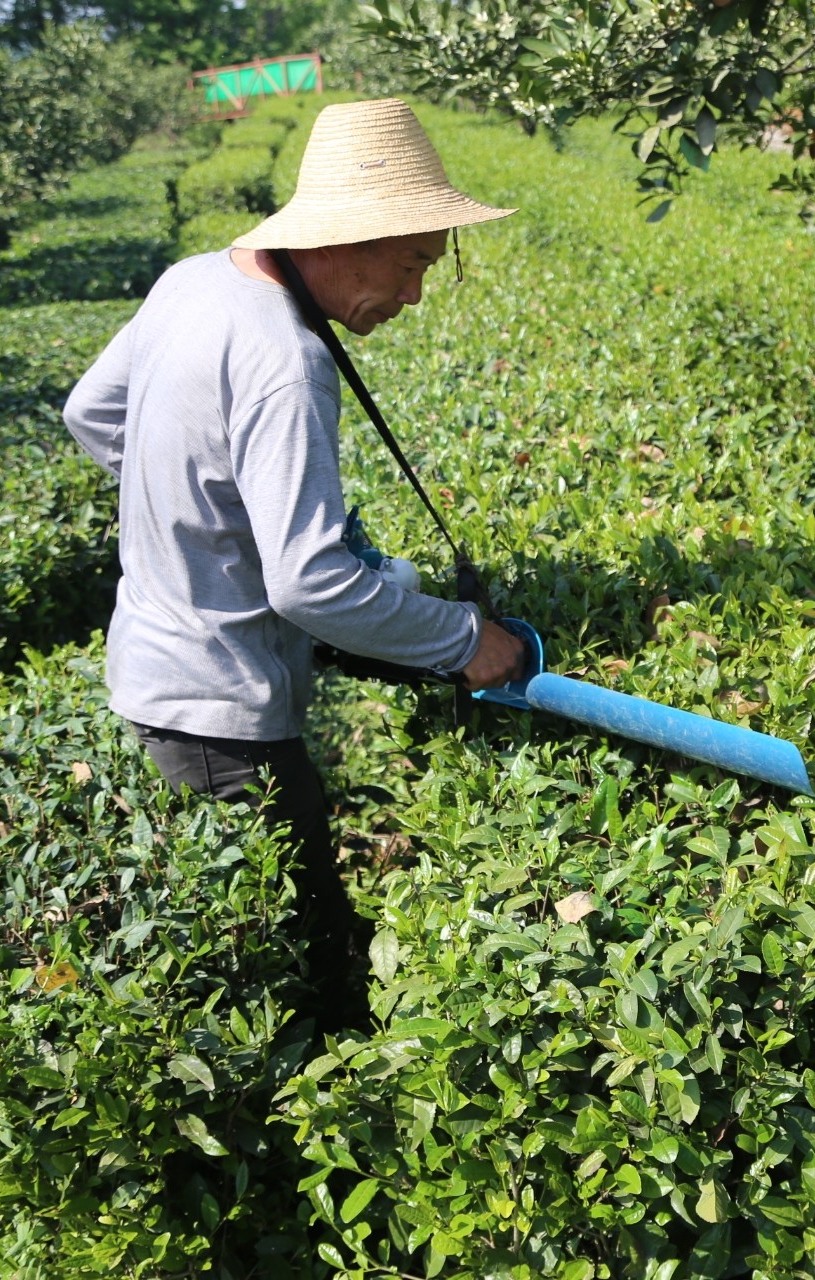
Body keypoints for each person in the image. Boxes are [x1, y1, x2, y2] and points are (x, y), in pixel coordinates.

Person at [61, 98, 528, 1031]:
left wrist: (201, 519)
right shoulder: (286, 357)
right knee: (311, 972)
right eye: (412, 264)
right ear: (355, 239)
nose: (413, 295)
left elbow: (91, 415)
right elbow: (309, 582)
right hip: (220, 719)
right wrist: (464, 639)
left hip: (155, 674)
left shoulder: (193, 280)